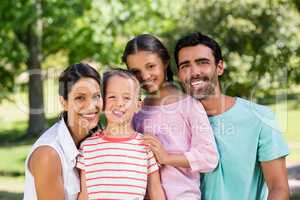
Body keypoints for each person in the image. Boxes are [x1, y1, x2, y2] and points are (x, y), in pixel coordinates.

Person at [174, 32, 290, 200]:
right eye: (185, 66)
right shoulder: (171, 123)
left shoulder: (260, 117)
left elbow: (278, 188)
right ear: (179, 74)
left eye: (202, 62)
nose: (194, 72)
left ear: (219, 67)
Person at [122, 34, 219, 199]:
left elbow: (208, 158)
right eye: (136, 72)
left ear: (165, 62)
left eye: (151, 66)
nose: (145, 76)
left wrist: (166, 157)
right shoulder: (135, 112)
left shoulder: (189, 106)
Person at [76, 69, 165, 200]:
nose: (119, 103)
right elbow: (84, 194)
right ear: (102, 103)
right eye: (112, 97)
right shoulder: (88, 147)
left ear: (138, 105)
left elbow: (155, 191)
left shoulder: (145, 147)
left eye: (127, 98)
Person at [23, 63, 102, 200]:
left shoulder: (95, 141)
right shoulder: (48, 154)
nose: (91, 106)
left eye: (96, 96)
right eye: (80, 98)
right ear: (64, 102)